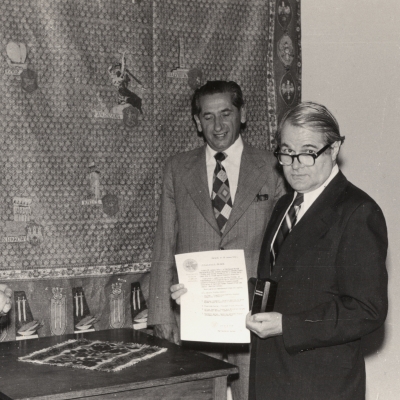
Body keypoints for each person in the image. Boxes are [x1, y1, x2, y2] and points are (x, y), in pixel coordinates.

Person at [148, 80, 285, 399]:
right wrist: (160, 314)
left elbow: (286, 247)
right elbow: (163, 244)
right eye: (208, 116)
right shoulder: (177, 169)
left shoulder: (273, 168)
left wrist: (280, 311)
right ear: (197, 121)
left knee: (254, 394)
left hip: (253, 316)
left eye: (226, 113)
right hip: (194, 314)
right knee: (195, 394)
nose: (218, 125)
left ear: (243, 114)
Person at [246, 102, 388, 400]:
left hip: (321, 385)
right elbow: (276, 285)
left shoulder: (357, 211)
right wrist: (201, 296)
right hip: (272, 377)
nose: (295, 164)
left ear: (334, 149)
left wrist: (287, 325)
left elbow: (367, 310)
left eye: (308, 152)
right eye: (286, 152)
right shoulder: (284, 205)